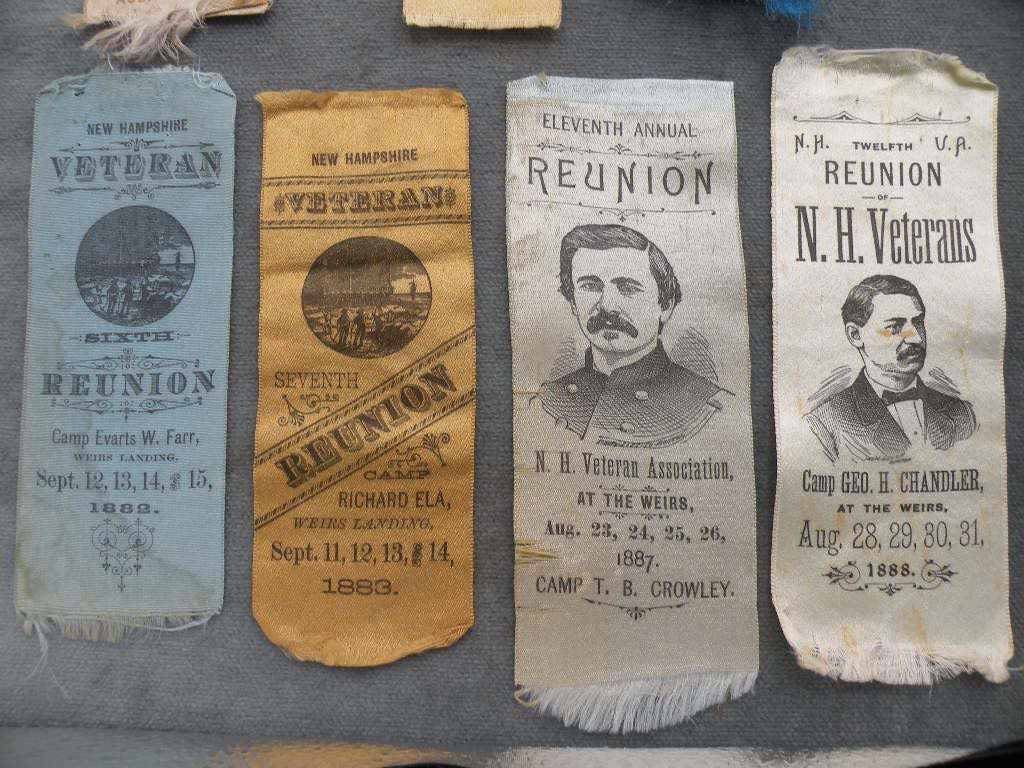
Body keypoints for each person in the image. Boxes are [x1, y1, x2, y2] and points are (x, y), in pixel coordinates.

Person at [539, 223, 724, 447]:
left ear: (665, 306)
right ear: (573, 303)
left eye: (628, 288)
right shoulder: (543, 404)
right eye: (590, 286)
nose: (607, 305)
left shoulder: (709, 409)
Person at [806, 274, 976, 463]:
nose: (916, 338)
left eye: (918, 323)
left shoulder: (963, 414)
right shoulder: (824, 424)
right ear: (855, 335)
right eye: (895, 327)